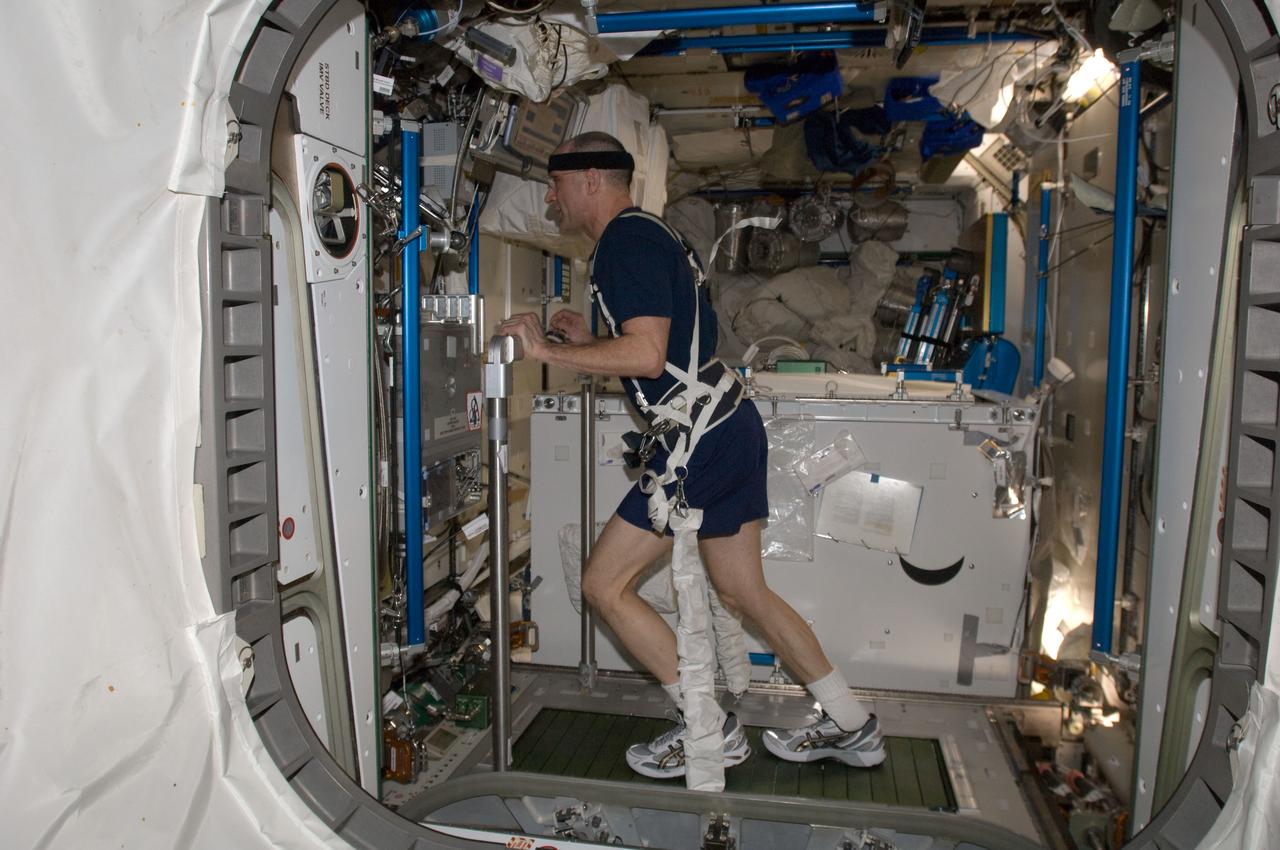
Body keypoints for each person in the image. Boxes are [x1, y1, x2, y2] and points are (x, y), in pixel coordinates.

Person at [497, 131, 884, 779]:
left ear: (590, 179)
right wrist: (591, 339)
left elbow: (646, 355)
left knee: (603, 584)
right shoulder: (651, 235)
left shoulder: (625, 242)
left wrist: (547, 352)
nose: (549, 197)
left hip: (697, 440)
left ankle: (709, 730)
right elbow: (665, 350)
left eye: (555, 184)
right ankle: (855, 725)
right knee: (745, 591)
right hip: (723, 425)